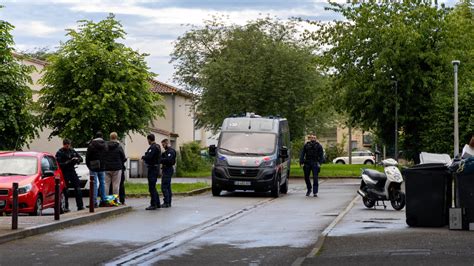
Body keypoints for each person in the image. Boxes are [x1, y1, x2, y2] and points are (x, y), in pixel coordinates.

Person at [55, 139, 84, 211]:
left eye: (68, 145)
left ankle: (80, 206)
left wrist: (77, 160)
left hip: (72, 170)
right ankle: (66, 206)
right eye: (66, 145)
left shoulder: (72, 151)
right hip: (65, 172)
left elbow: (81, 159)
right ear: (64, 144)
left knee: (78, 188)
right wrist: (68, 162)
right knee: (65, 190)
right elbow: (59, 164)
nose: (67, 146)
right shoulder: (60, 152)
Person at [86, 131, 107, 207]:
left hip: (93, 166)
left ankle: (94, 202)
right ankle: (103, 200)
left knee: (94, 184)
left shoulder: (91, 145)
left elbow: (87, 157)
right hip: (102, 166)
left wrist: (89, 165)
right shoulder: (105, 145)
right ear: (102, 137)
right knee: (102, 183)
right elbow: (107, 155)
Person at [142, 133, 162, 210]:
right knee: (153, 186)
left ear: (149, 139)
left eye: (148, 140)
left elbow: (149, 156)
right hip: (155, 168)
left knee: (151, 187)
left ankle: (153, 204)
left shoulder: (153, 147)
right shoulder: (157, 146)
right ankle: (157, 203)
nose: (148, 141)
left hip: (153, 168)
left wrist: (144, 157)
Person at [103, 132, 126, 198]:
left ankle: (106, 199)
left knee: (106, 184)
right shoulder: (119, 146)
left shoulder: (106, 146)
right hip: (117, 168)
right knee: (116, 185)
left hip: (107, 167)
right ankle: (115, 200)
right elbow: (123, 157)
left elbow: (103, 155)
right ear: (116, 137)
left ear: (110, 138)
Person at [160, 139, 176, 208]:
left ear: (166, 143)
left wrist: (160, 160)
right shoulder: (166, 152)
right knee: (168, 186)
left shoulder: (171, 151)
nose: (163, 146)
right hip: (166, 169)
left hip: (168, 169)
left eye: (163, 145)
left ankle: (166, 202)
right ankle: (168, 202)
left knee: (164, 186)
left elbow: (168, 160)